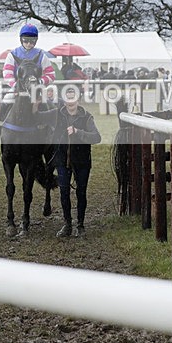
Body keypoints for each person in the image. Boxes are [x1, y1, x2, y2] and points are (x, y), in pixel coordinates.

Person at [54, 85, 101, 238]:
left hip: (82, 161)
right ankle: (67, 224)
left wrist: (77, 132)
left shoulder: (87, 117)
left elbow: (96, 137)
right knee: (64, 191)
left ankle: (80, 224)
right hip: (62, 160)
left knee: (81, 192)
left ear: (78, 99)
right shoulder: (57, 115)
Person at [2, 24, 56, 90]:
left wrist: (40, 82)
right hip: (17, 88)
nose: (28, 44)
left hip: (37, 88)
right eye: (26, 40)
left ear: (36, 41)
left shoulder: (42, 55)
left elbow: (51, 74)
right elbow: (7, 73)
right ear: (21, 40)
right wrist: (15, 85)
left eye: (32, 41)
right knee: (7, 99)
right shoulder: (12, 55)